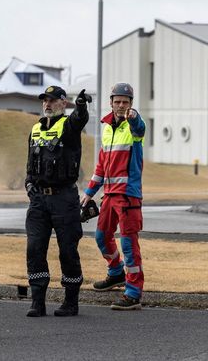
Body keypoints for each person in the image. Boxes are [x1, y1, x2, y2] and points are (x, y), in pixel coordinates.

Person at [25, 85, 90, 317]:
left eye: (53, 100)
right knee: (34, 249)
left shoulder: (69, 126)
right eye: (45, 100)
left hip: (64, 199)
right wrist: (29, 185)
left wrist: (81, 106)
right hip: (39, 201)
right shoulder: (35, 129)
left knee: (68, 251)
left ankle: (70, 302)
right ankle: (37, 301)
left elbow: (79, 119)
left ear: (63, 103)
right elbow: (30, 165)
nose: (47, 104)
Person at [80, 82, 146, 311]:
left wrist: (134, 117)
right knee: (101, 237)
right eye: (117, 101)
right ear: (110, 102)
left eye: (125, 102)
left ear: (131, 104)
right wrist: (88, 193)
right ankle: (116, 273)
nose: (120, 105)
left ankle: (133, 293)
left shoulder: (133, 125)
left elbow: (140, 128)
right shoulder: (107, 128)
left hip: (128, 196)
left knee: (129, 244)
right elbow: (101, 166)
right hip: (108, 195)